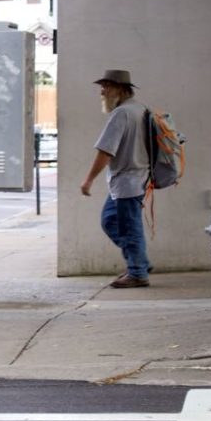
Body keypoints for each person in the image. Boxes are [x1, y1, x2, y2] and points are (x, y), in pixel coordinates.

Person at [80, 69, 152, 288]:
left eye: (107, 86)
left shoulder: (122, 114)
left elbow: (106, 151)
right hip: (135, 179)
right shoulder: (140, 109)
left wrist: (89, 180)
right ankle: (138, 261)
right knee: (112, 220)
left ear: (121, 89)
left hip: (127, 181)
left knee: (128, 227)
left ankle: (138, 271)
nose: (102, 91)